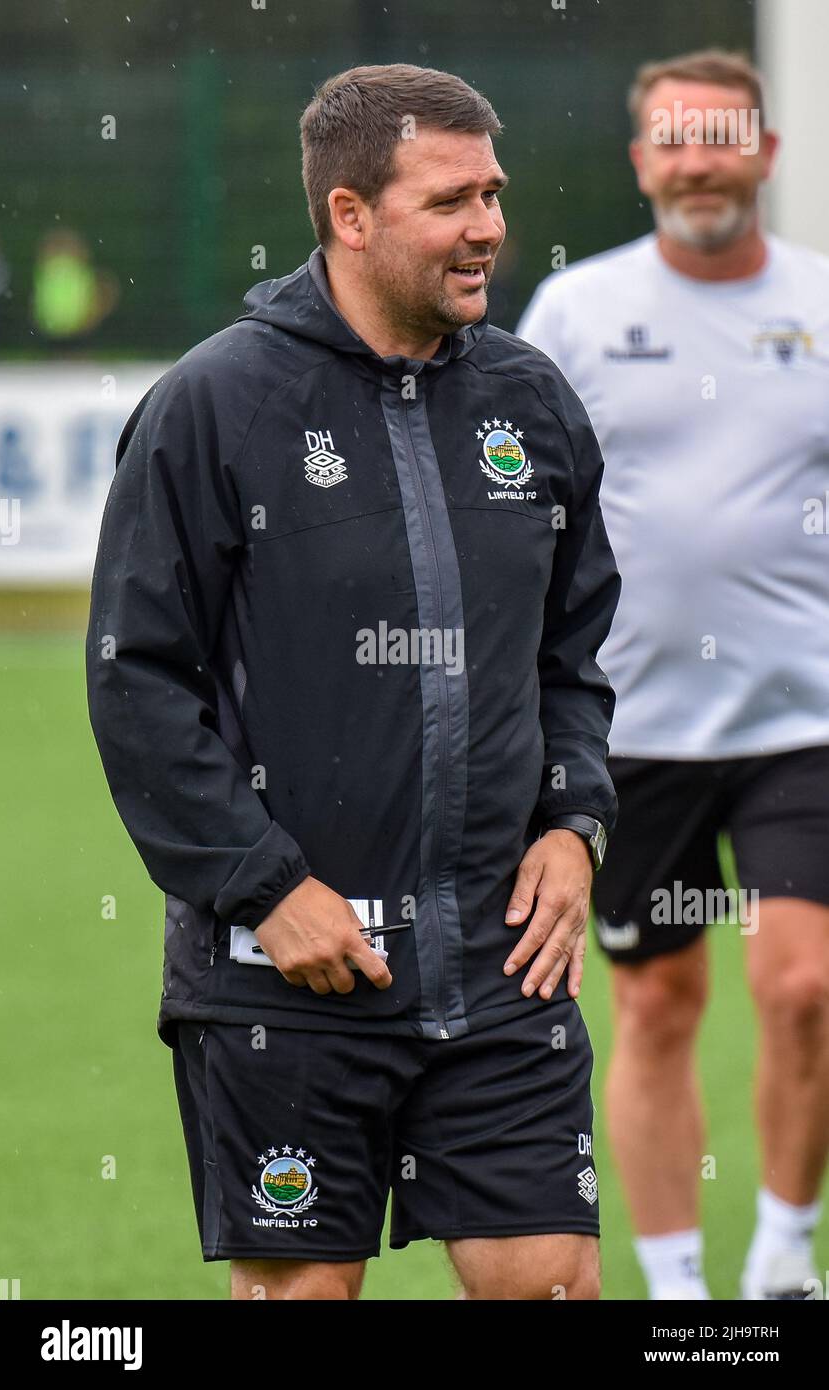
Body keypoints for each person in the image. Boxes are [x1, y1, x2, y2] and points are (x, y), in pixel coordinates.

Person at [85, 63, 621, 1301]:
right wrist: (264, 889)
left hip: (500, 964)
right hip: (290, 979)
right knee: (301, 1299)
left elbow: (573, 653)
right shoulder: (211, 405)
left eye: (493, 193)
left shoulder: (529, 400)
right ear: (348, 214)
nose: (488, 227)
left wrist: (574, 820)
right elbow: (139, 682)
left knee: (549, 1280)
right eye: (450, 200)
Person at [517, 48, 829, 1301]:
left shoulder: (820, 303)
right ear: (642, 160)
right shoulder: (575, 314)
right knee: (654, 1006)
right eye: (673, 138)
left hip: (802, 717)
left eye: (721, 135)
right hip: (628, 727)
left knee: (801, 981)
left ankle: (781, 1257)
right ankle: (680, 1288)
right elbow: (513, 503)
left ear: (763, 150)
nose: (698, 159)